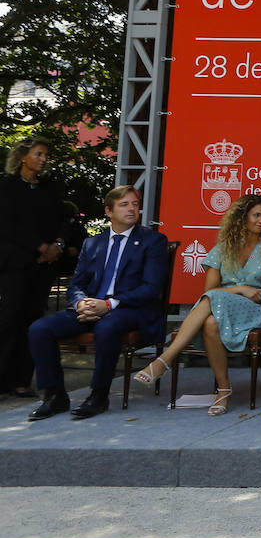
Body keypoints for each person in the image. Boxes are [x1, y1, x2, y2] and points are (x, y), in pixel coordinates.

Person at [132, 194, 261, 415]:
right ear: (241, 218)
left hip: (259, 311)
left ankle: (165, 359)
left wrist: (235, 293)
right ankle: (224, 391)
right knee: (211, 322)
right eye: (256, 215)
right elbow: (209, 291)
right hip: (222, 307)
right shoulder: (223, 249)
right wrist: (240, 289)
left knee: (213, 300)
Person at [26, 186, 169, 420]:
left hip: (130, 309)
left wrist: (109, 305)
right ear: (108, 211)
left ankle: (98, 395)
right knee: (39, 329)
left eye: (135, 204)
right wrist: (81, 303)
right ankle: (55, 395)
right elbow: (77, 284)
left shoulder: (152, 241)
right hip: (92, 307)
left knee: (107, 326)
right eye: (124, 204)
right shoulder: (92, 243)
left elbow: (151, 288)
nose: (132, 209)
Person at [0, 137, 70, 398]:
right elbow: (7, 225)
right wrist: (40, 246)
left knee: (33, 320)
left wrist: (58, 245)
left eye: (45, 155)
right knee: (9, 319)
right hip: (16, 264)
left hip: (44, 266)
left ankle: (21, 380)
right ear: (22, 157)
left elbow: (64, 218)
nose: (43, 159)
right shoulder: (7, 186)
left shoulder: (49, 187)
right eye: (38, 154)